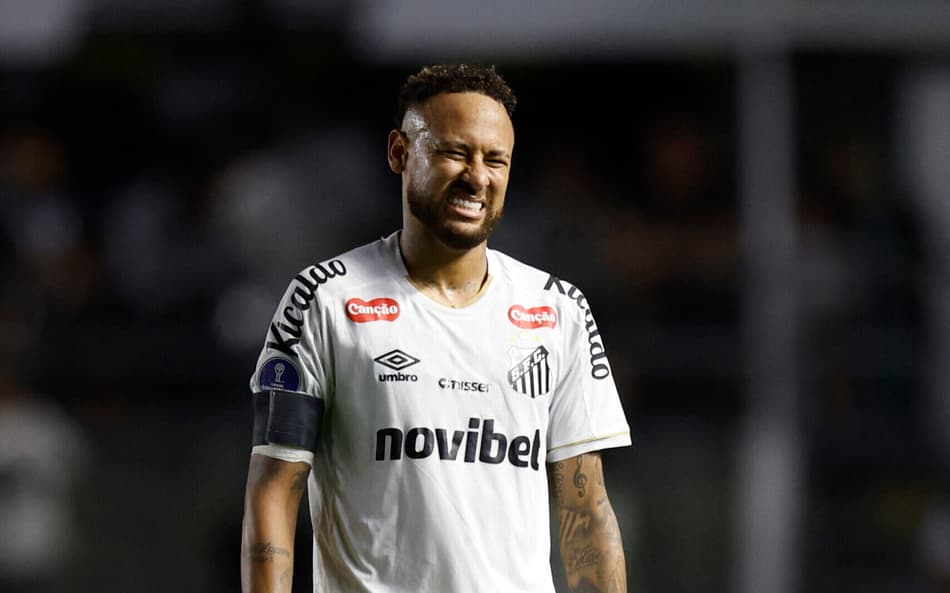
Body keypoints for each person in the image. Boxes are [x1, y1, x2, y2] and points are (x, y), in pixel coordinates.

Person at [241, 63, 632, 593]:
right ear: (400, 152)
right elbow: (274, 491)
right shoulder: (325, 299)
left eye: (496, 160)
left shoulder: (557, 311)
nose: (478, 176)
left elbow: (586, 514)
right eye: (455, 153)